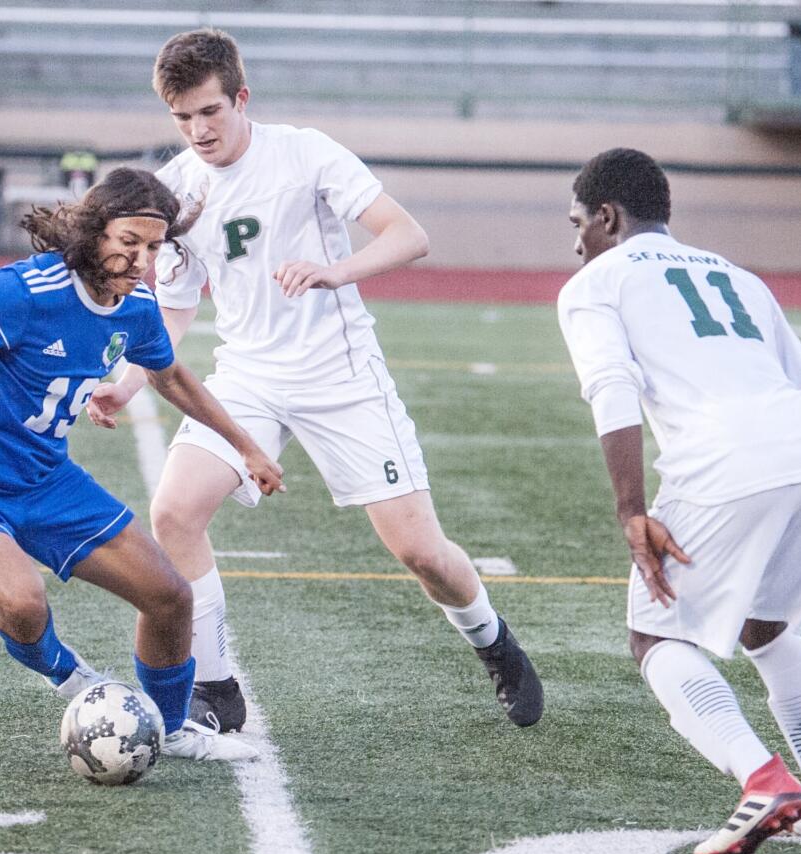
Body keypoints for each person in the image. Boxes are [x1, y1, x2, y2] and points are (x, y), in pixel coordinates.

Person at [88, 28, 543, 733]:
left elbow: (408, 234)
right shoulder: (177, 192)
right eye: (182, 117)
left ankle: (493, 640)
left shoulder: (304, 152)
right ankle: (215, 689)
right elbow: (173, 316)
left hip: (341, 375)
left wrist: (334, 270)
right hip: (247, 377)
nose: (198, 130)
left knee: (421, 552)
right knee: (175, 512)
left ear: (241, 98)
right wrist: (126, 383)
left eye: (210, 111)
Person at [0, 166, 285, 764]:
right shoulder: (26, 292)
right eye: (129, 244)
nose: (142, 261)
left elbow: (169, 376)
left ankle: (168, 729)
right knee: (21, 599)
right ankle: (72, 681)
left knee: (170, 596)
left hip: (47, 479)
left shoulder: (136, 308)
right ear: (94, 232)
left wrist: (245, 445)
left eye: (153, 247)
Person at [556, 148, 801, 854]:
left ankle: (763, 780)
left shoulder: (594, 282)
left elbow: (610, 387)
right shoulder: (738, 275)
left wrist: (630, 509)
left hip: (725, 460)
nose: (575, 241)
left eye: (578, 223)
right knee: (767, 630)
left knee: (655, 637)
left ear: (607, 216)